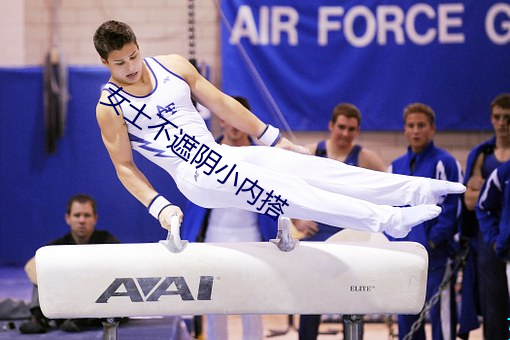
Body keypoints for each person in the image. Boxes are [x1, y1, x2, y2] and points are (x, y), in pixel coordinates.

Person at [93, 20, 464, 248]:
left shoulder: (172, 66)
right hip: (195, 174)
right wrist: (160, 206)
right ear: (105, 63)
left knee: (313, 169)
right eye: (119, 63)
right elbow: (124, 167)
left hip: (223, 156)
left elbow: (223, 103)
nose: (130, 68)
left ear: (139, 46)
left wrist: (273, 138)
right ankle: (387, 221)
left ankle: (413, 189)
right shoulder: (109, 106)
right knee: (293, 194)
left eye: (133, 56)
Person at [181, 96, 277, 340]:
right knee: (215, 306)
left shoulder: (263, 158)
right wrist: (187, 238)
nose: (235, 126)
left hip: (254, 238)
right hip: (214, 238)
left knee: (253, 305)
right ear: (222, 120)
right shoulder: (203, 154)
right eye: (229, 119)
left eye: (239, 120)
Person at [295, 102, 386, 340]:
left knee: (353, 300)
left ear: (357, 131)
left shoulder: (365, 158)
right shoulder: (311, 152)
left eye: (351, 129)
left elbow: (389, 192)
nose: (345, 134)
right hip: (317, 235)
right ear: (331, 126)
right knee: (310, 302)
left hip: (351, 240)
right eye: (341, 127)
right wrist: (297, 220)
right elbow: (284, 191)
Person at [387, 103, 462, 340]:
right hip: (405, 259)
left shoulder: (445, 163)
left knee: (442, 320)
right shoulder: (395, 167)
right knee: (407, 321)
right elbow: (388, 209)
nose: (416, 131)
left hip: (436, 257)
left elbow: (452, 209)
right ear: (405, 130)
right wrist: (395, 243)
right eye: (411, 126)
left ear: (432, 129)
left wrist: (432, 241)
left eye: (421, 125)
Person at [19, 194, 120, 334]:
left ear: (95, 218)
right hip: (65, 298)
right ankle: (38, 318)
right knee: (42, 270)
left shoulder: (108, 242)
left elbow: (118, 270)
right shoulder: (57, 246)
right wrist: (60, 283)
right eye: (77, 215)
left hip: (96, 301)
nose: (82, 220)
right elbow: (30, 266)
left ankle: (80, 319)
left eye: (87, 215)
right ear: (68, 218)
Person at [460, 93, 510, 340]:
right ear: (491, 119)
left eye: (507, 118)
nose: (502, 123)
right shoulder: (482, 154)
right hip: (489, 238)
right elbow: (469, 202)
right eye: (497, 117)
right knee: (493, 304)